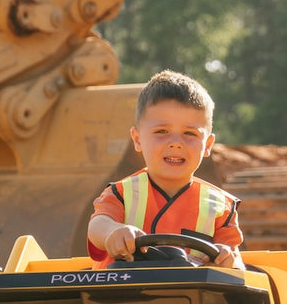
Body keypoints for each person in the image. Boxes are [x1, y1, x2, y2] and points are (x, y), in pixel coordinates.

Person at [86, 70, 243, 268]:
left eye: (190, 133)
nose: (176, 143)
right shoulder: (120, 193)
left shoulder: (223, 208)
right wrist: (112, 232)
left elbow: (236, 265)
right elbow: (97, 225)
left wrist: (227, 258)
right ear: (137, 139)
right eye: (162, 131)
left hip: (191, 296)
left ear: (208, 145)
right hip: (121, 295)